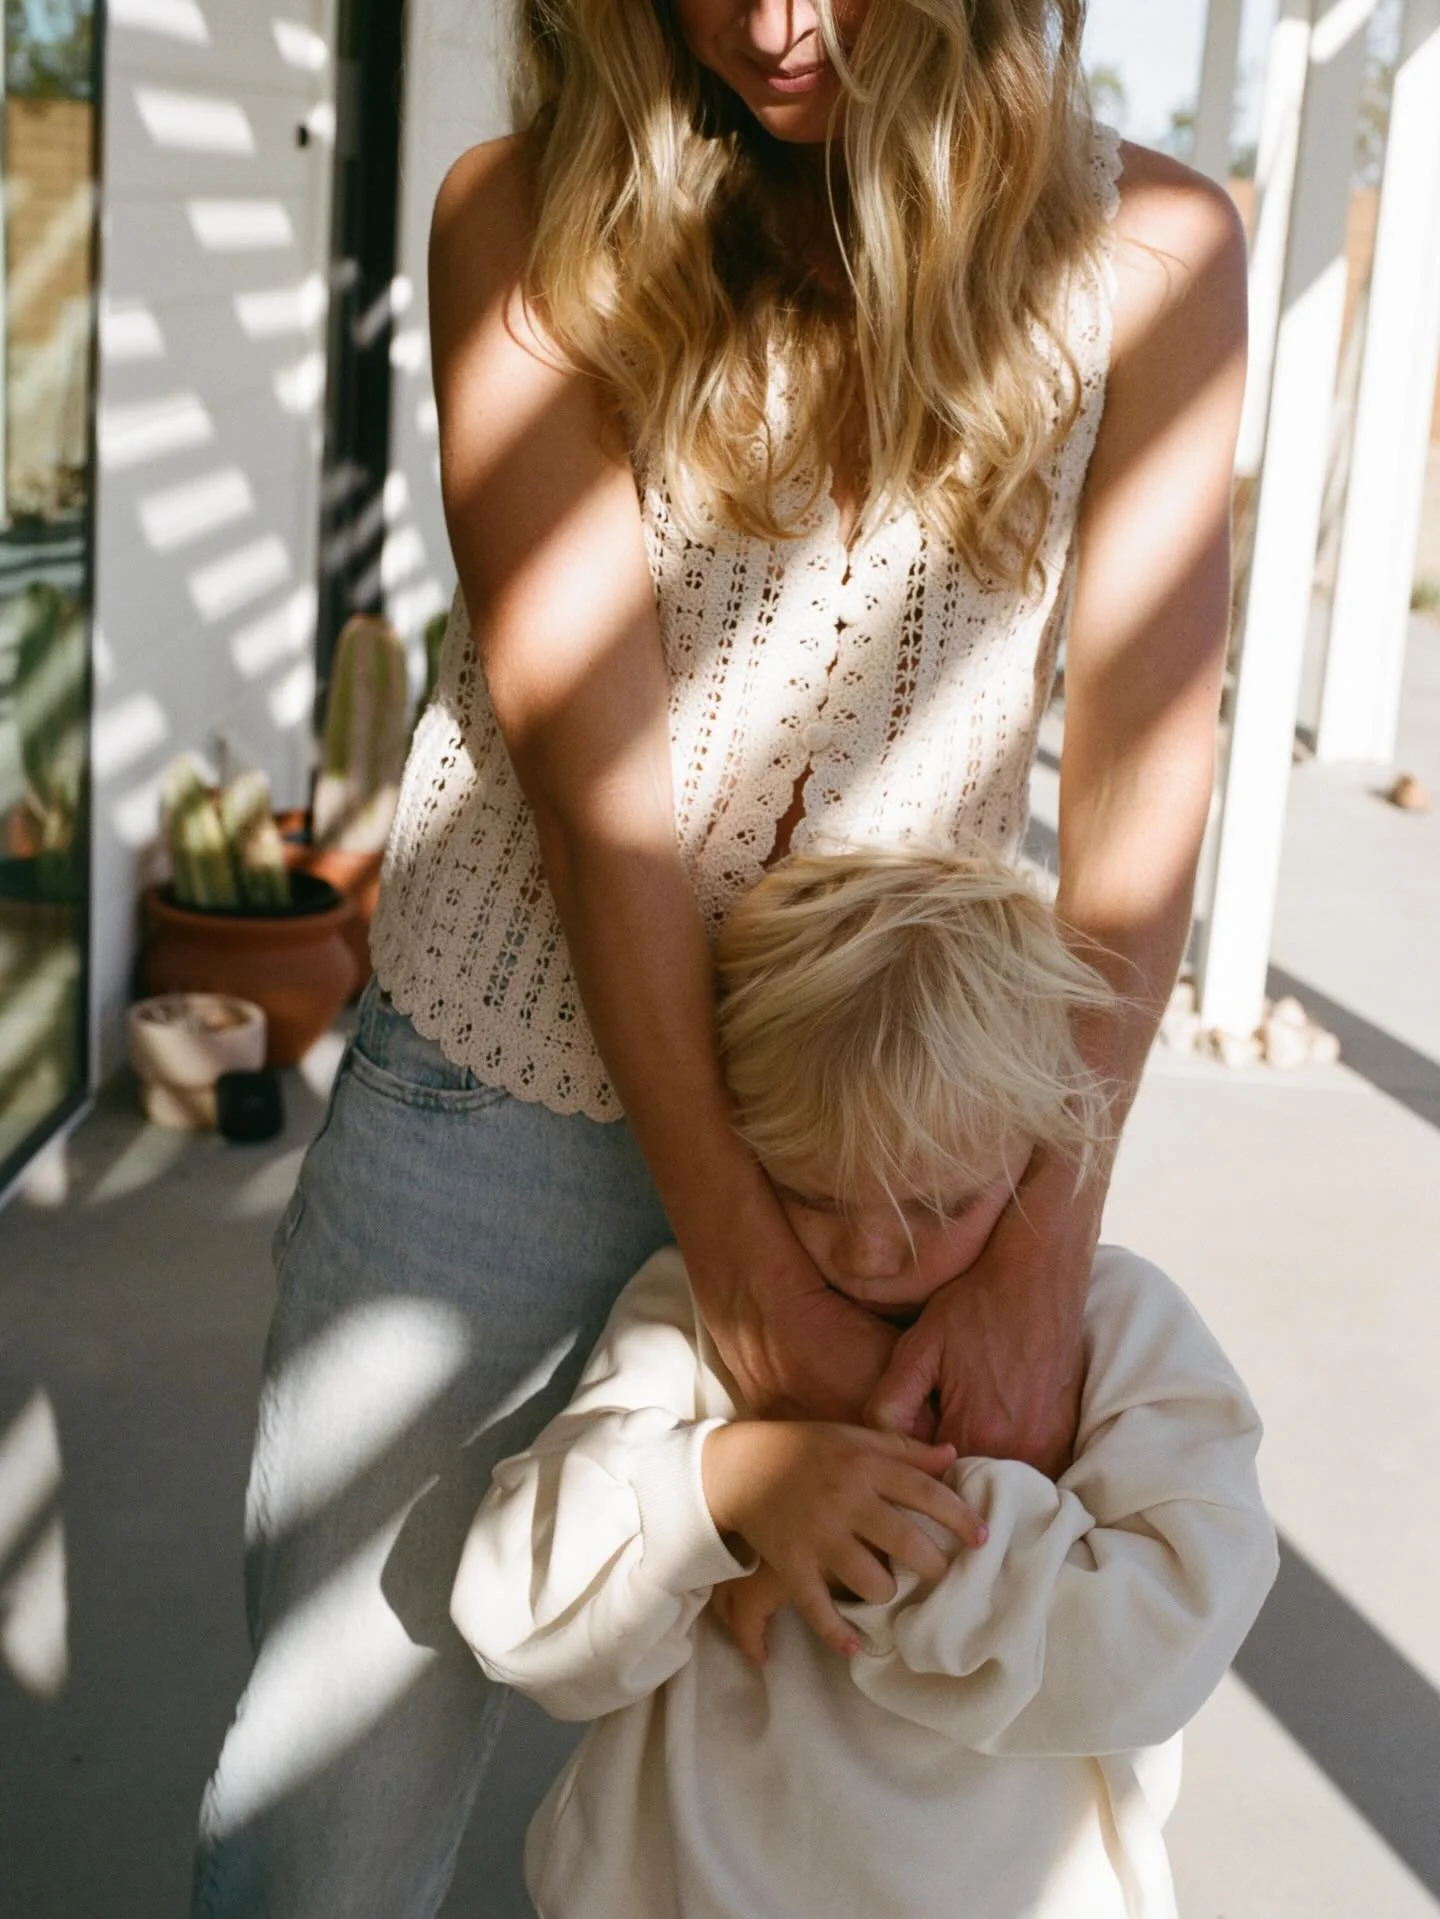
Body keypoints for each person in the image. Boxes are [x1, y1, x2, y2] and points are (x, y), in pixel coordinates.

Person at [193, 0, 1248, 1912]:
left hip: (894, 1139)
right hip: (492, 1103)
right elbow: (602, 795)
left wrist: (1038, 1239)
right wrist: (746, 1262)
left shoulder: (1155, 254)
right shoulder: (523, 218)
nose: (774, 21)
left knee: (842, 1780)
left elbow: (1139, 794)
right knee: (327, 1806)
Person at [450, 844, 1280, 1919]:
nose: (873, 1253)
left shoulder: (1116, 1331)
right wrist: (727, 1484)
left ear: (1042, 1141)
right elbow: (520, 1619)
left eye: (937, 1204)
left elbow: (1166, 1642)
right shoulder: (703, 1319)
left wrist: (873, 1547)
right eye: (809, 1191)